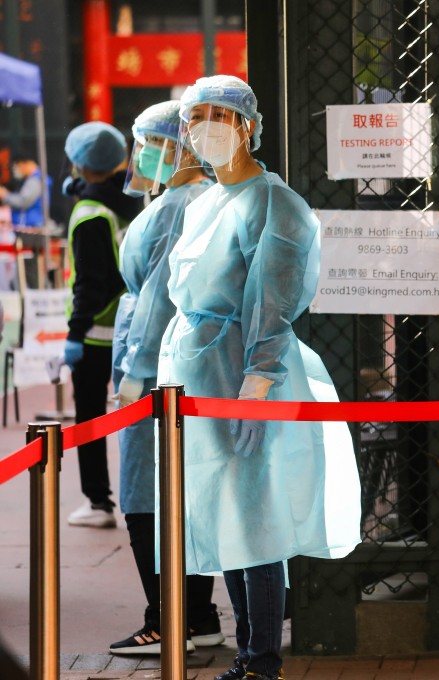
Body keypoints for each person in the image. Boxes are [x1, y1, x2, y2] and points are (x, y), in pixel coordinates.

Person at [160, 75, 362, 680]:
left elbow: (271, 303)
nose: (205, 128)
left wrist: (258, 385)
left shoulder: (275, 202)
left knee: (257, 520)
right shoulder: (204, 200)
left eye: (219, 115)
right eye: (196, 117)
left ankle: (261, 662)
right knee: (227, 512)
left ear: (248, 125)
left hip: (245, 376)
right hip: (199, 376)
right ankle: (248, 656)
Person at [107, 101, 222, 655]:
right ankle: (197, 614)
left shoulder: (178, 206)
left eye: (150, 143)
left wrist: (135, 374)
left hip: (158, 372)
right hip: (188, 366)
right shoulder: (196, 199)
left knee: (147, 498)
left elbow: (156, 299)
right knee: (187, 493)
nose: (142, 154)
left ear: (179, 146)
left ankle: (166, 617)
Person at [62, 121, 141, 528]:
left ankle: (98, 503)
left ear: (77, 162)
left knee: (89, 418)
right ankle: (147, 499)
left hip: (94, 337)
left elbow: (89, 283)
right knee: (138, 418)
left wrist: (74, 334)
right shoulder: (129, 202)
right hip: (131, 329)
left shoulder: (88, 213)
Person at [0, 153, 51, 227]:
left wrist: (5, 195)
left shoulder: (35, 181)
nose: (15, 171)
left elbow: (23, 201)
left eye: (17, 166)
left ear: (25, 163)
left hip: (32, 228)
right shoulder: (33, 179)